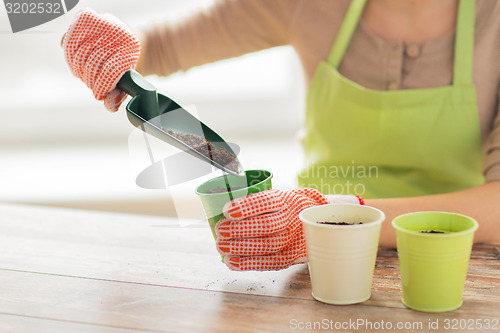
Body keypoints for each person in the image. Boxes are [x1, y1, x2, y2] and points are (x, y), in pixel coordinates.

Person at [62, 0, 500, 271]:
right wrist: (106, 42)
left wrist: (329, 216)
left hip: (454, 264)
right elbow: (159, 46)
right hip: (316, 261)